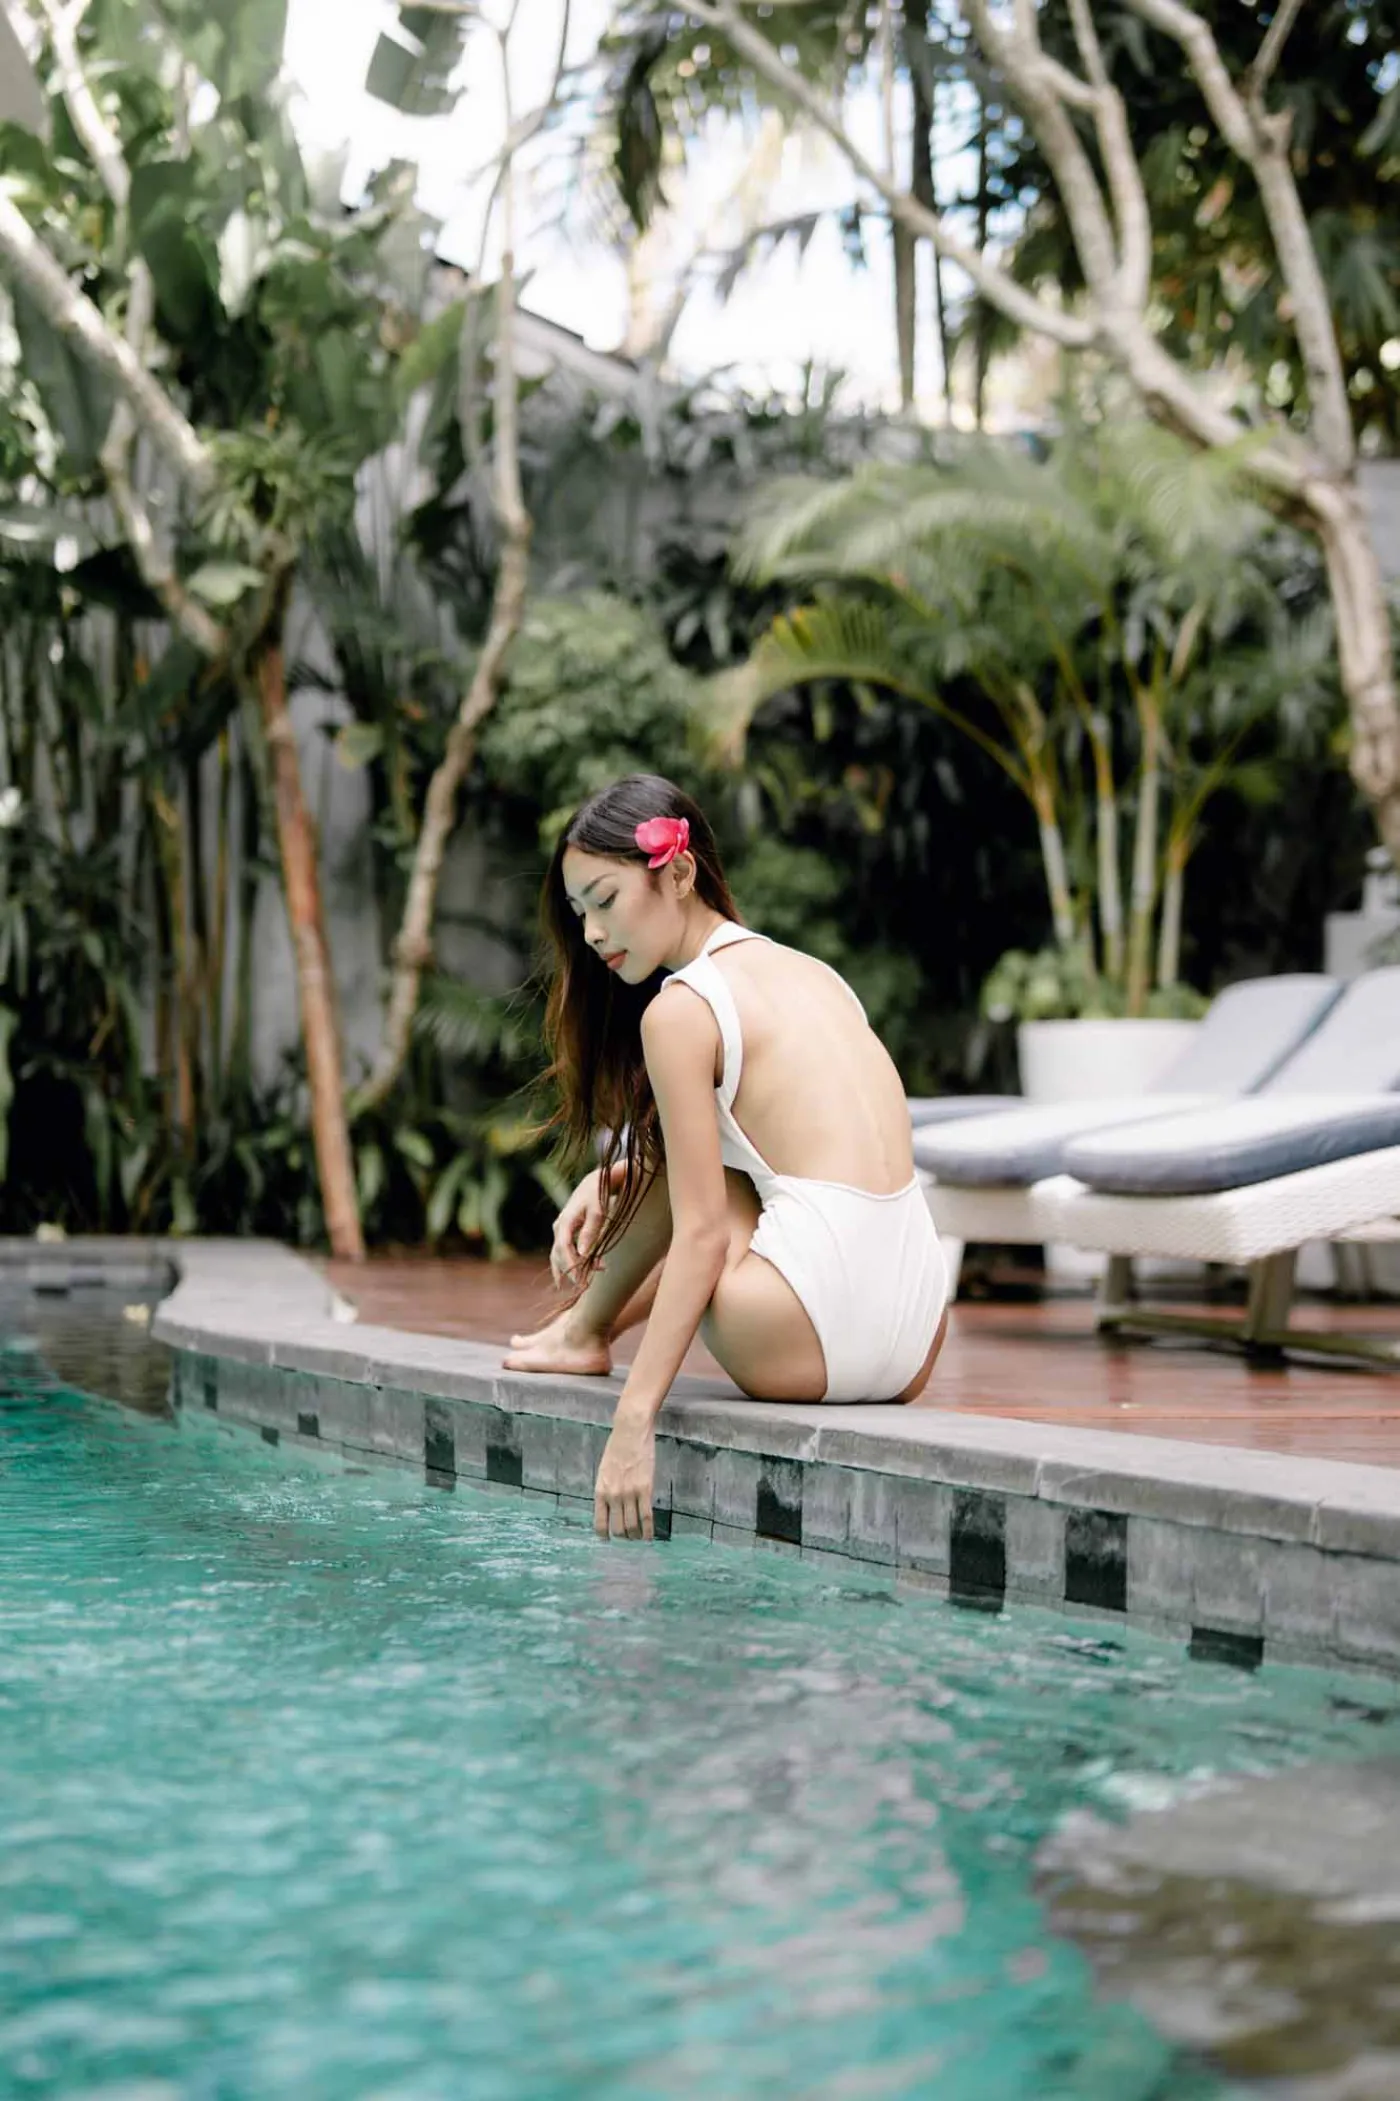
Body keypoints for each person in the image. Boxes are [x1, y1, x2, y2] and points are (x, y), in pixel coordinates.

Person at [503, 774, 950, 1543]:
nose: (591, 934)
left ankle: (583, 1334)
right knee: (695, 1166)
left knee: (692, 1180)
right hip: (917, 1335)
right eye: (579, 914)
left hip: (800, 1336)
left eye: (605, 901)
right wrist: (615, 1174)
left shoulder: (682, 1010)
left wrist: (633, 1421)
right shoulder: (815, 975)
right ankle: (583, 1329)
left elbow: (705, 1232)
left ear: (678, 872)